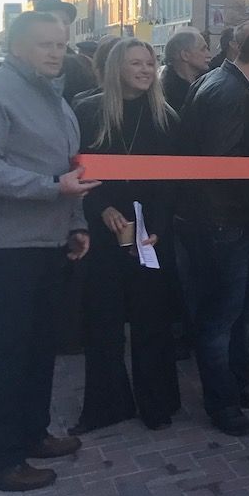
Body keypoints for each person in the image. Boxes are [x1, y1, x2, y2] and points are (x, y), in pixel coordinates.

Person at [0, 11, 99, 491]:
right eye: (44, 44)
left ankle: (32, 435)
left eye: (60, 44)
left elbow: (69, 168)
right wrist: (52, 189)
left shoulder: (54, 98)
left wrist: (74, 223)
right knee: (1, 358)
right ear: (16, 47)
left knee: (37, 351)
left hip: (45, 244)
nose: (56, 52)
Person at [176, 26, 249, 436]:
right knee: (222, 316)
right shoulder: (229, 92)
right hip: (224, 219)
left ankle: (238, 386)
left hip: (231, 217)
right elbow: (221, 163)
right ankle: (223, 402)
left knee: (238, 312)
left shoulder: (218, 82)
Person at [70, 38, 181, 434]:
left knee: (153, 320)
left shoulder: (166, 116)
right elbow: (77, 169)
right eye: (136, 63)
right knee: (103, 322)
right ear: (117, 67)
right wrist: (101, 208)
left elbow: (172, 181)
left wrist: (158, 227)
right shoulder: (88, 111)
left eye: (150, 63)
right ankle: (106, 405)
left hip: (149, 232)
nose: (145, 70)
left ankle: (157, 403)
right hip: (104, 230)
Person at [161, 29, 211, 113]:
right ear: (185, 55)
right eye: (203, 49)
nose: (209, 55)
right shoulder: (167, 94)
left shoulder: (206, 83)